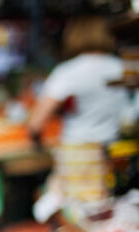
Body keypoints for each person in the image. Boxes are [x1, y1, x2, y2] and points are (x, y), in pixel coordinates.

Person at [27, 16, 129, 146]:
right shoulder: (122, 67)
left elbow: (36, 123)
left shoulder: (68, 71)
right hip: (114, 149)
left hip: (76, 152)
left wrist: (37, 141)